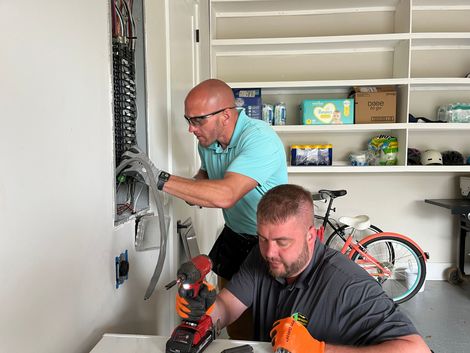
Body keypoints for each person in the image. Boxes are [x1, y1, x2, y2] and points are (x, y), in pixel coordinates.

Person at [176, 184, 431, 352]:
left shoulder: (346, 283)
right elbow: (228, 307)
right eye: (263, 239)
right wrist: (205, 309)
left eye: (282, 242)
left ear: (311, 236)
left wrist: (319, 350)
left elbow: (415, 348)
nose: (270, 252)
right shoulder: (260, 255)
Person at [125, 79, 287, 338]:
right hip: (235, 237)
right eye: (188, 120)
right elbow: (206, 176)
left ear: (225, 115)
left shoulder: (260, 139)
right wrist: (195, 189)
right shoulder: (207, 142)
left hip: (271, 243)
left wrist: (159, 178)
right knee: (236, 326)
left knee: (273, 327)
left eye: (198, 120)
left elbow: (226, 194)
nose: (191, 129)